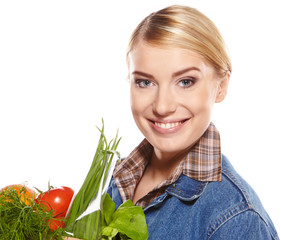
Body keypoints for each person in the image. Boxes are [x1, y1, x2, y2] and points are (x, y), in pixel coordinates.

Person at [107, 5, 279, 240]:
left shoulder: (236, 218)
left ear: (221, 86)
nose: (162, 106)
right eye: (145, 82)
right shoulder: (123, 176)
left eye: (186, 81)